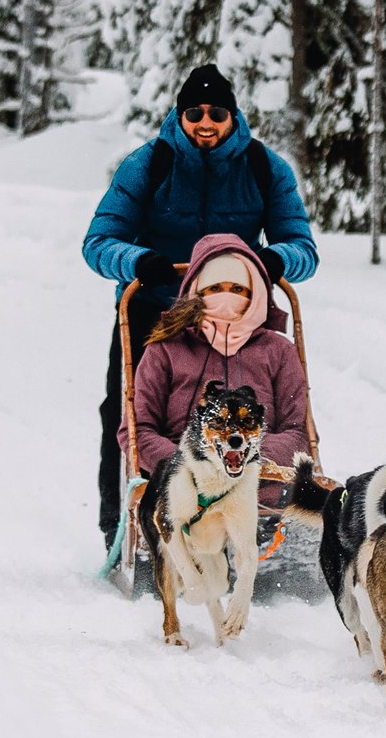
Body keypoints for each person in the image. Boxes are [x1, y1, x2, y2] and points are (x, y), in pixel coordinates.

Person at [86, 62, 318, 547]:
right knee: (129, 410)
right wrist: (138, 260)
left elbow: (303, 248)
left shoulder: (264, 168)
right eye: (194, 113)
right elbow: (99, 242)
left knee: (257, 406)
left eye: (216, 113)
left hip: (237, 310)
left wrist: (275, 259)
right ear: (180, 116)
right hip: (158, 309)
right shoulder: (148, 165)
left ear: (233, 116)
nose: (205, 122)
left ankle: (264, 507)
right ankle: (121, 522)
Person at [120, 234, 308, 487]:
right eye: (215, 289)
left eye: (238, 289)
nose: (226, 298)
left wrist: (247, 461)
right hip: (181, 489)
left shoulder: (277, 351)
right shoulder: (166, 349)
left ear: (255, 294)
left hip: (261, 489)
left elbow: (297, 432)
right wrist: (190, 466)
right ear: (198, 293)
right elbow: (137, 431)